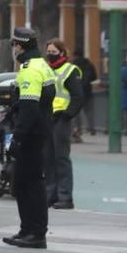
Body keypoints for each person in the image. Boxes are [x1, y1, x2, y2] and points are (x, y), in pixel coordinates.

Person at [3, 27, 56, 249]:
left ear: (20, 45)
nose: (13, 48)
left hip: (31, 135)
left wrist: (17, 138)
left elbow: (29, 108)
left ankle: (35, 233)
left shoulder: (29, 69)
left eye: (14, 44)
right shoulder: (42, 65)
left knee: (30, 185)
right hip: (40, 132)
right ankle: (28, 230)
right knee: (26, 183)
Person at [43, 39, 82, 211]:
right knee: (48, 158)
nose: (50, 55)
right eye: (48, 52)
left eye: (53, 52)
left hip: (61, 119)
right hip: (47, 118)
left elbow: (78, 96)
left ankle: (65, 197)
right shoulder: (46, 70)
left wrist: (67, 115)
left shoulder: (70, 70)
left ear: (62, 52)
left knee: (61, 159)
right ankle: (50, 195)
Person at [71, 50, 98, 141]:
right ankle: (91, 128)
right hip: (88, 90)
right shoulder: (89, 64)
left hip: (76, 90)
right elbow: (94, 77)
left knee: (76, 112)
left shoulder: (73, 66)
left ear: (75, 56)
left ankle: (78, 129)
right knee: (89, 111)